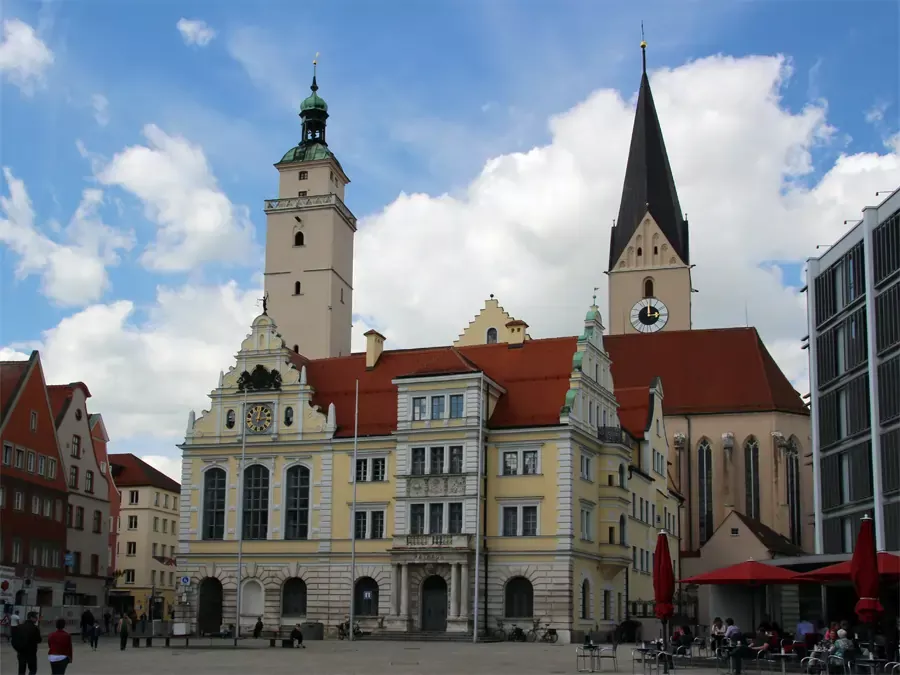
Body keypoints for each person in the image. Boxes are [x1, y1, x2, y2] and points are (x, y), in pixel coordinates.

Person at [11, 611, 42, 675]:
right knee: (33, 670)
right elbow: (39, 640)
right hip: (31, 653)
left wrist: (18, 649)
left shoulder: (19, 627)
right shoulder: (35, 628)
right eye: (35, 617)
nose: (36, 619)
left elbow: (13, 641)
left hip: (21, 653)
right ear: (31, 618)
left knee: (21, 671)